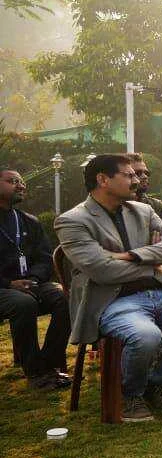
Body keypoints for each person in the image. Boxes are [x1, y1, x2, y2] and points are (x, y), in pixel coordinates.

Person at [55, 154, 162, 422]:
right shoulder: (73, 220)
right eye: (129, 175)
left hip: (160, 292)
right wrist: (153, 262)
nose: (137, 180)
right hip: (112, 300)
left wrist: (130, 256)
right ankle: (131, 395)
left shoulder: (143, 211)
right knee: (147, 336)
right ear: (103, 179)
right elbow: (101, 270)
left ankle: (154, 381)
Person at [0, 167, 71, 390]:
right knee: (23, 303)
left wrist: (33, 279)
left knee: (66, 297)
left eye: (22, 181)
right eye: (13, 181)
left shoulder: (29, 221)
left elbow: (45, 258)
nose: (21, 185)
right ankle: (36, 373)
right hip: (5, 288)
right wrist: (9, 284)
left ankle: (50, 364)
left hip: (30, 283)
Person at [125, 153, 162, 224]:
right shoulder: (115, 207)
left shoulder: (157, 206)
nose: (145, 176)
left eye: (146, 173)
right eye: (137, 173)